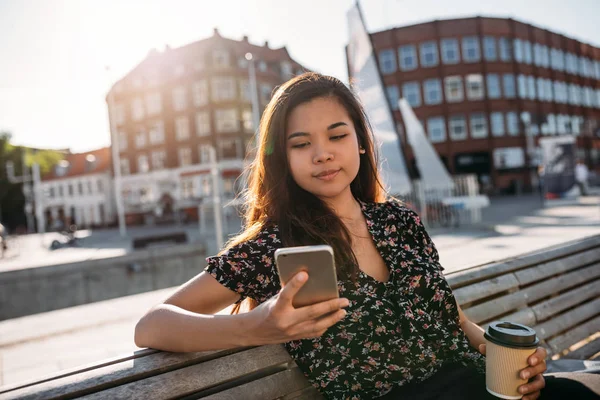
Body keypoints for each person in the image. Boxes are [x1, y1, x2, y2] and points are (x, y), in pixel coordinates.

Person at [135, 73, 599, 400]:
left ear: (360, 141)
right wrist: (258, 327)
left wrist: (509, 360)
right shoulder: (273, 246)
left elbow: (444, 311)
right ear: (284, 159)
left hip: (478, 383)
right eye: (301, 144)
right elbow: (151, 325)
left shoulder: (399, 221)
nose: (322, 154)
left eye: (337, 136)